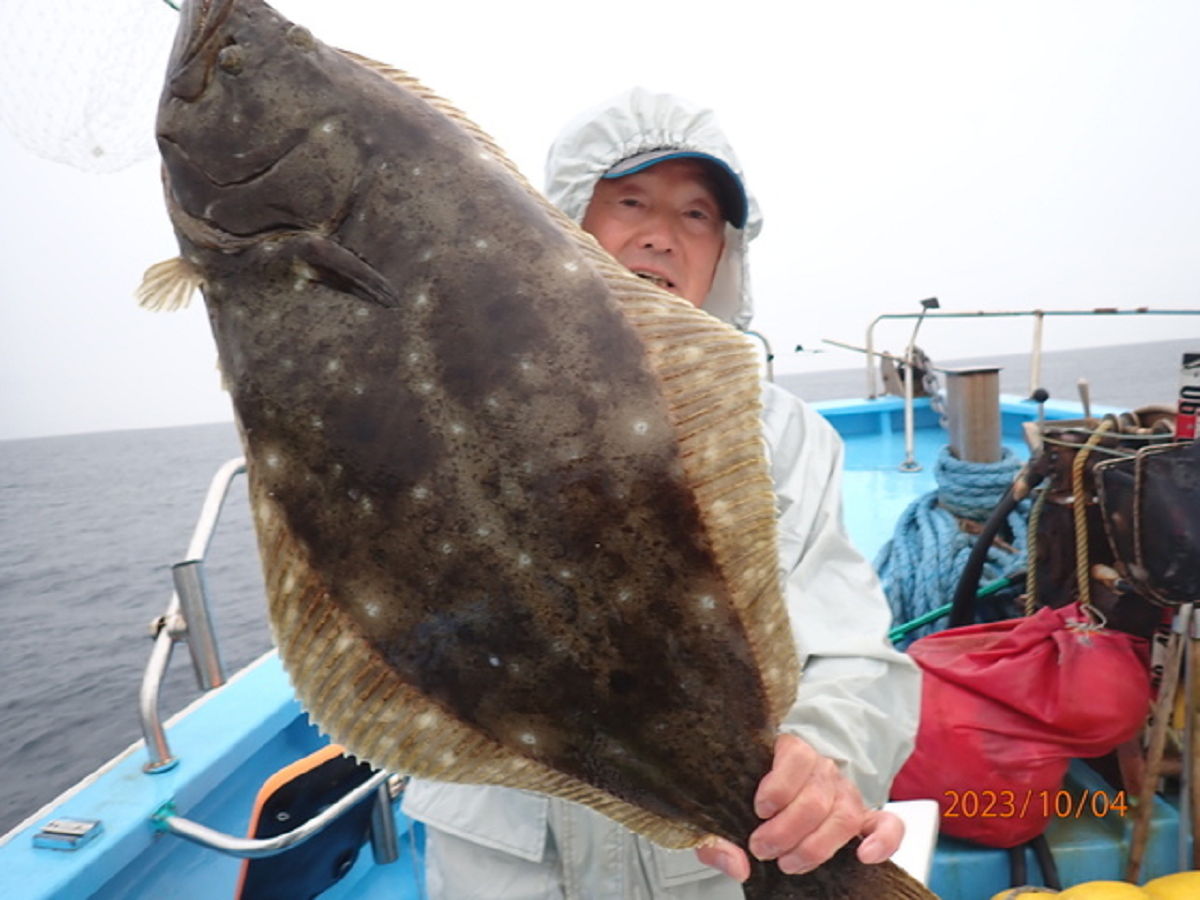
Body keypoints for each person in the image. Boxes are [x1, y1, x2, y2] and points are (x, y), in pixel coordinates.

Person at [401, 86, 922, 899]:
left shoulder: (784, 438)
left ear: (725, 252)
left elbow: (854, 654)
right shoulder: (444, 404)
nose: (661, 235)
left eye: (697, 215)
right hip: (510, 859)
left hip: (710, 865)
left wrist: (824, 764)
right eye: (630, 202)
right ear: (559, 226)